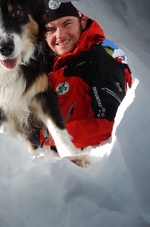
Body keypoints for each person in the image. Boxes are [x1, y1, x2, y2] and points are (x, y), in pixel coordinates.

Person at [38, 0, 132, 150]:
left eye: (67, 24)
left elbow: (109, 126)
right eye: (50, 29)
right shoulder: (41, 68)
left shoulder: (99, 63)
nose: (59, 35)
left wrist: (44, 135)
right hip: (43, 167)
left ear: (83, 21)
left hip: (85, 168)